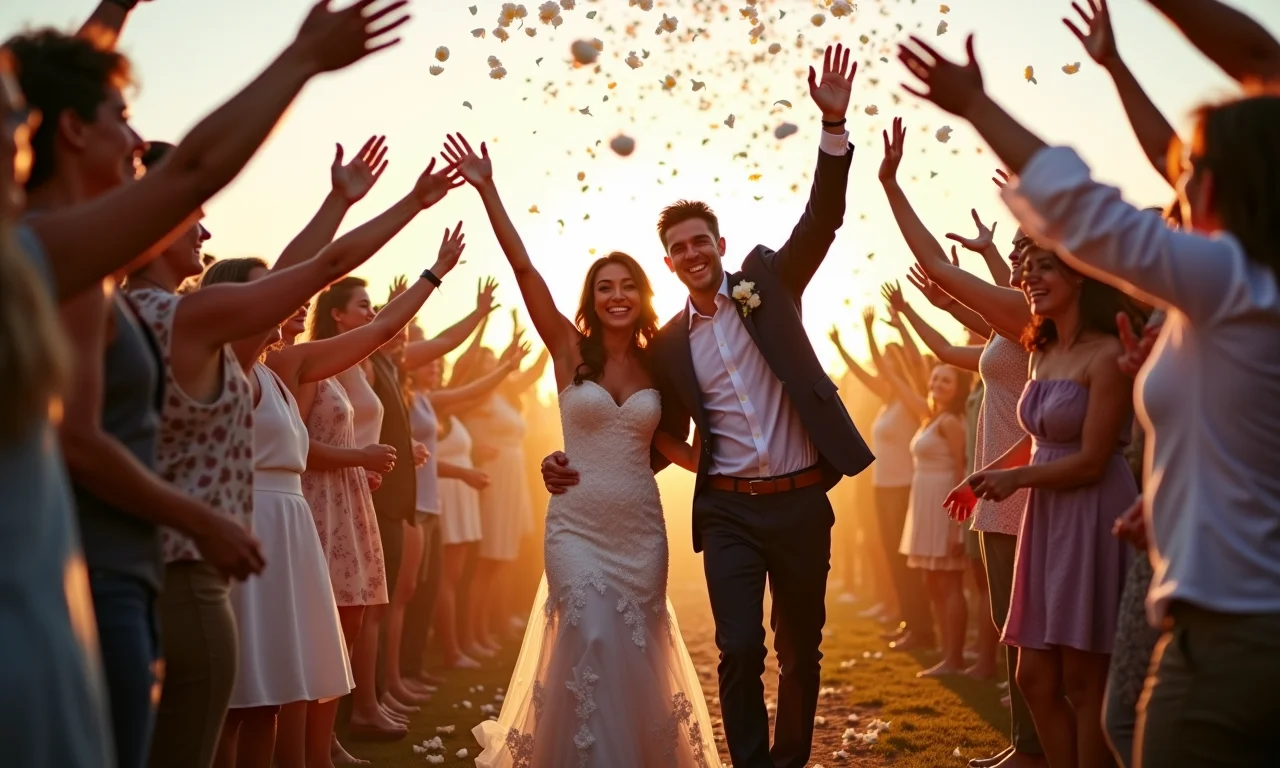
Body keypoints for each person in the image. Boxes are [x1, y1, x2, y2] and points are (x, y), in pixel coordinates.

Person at [537, 44, 875, 768]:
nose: (691, 253)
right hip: (726, 508)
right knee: (739, 648)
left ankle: (788, 762)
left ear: (720, 245)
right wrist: (573, 466)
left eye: (700, 242)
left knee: (799, 649)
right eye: (677, 248)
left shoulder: (770, 286)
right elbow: (646, 432)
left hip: (800, 499)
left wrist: (834, 128)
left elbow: (823, 217)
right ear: (667, 262)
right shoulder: (663, 348)